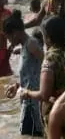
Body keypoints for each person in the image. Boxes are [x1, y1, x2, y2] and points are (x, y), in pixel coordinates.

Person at [3, 9, 44, 137]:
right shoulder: (25, 46)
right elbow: (30, 73)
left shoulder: (31, 44)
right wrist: (16, 85)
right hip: (27, 99)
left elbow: (48, 64)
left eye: (8, 37)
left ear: (15, 33)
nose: (9, 41)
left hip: (35, 102)